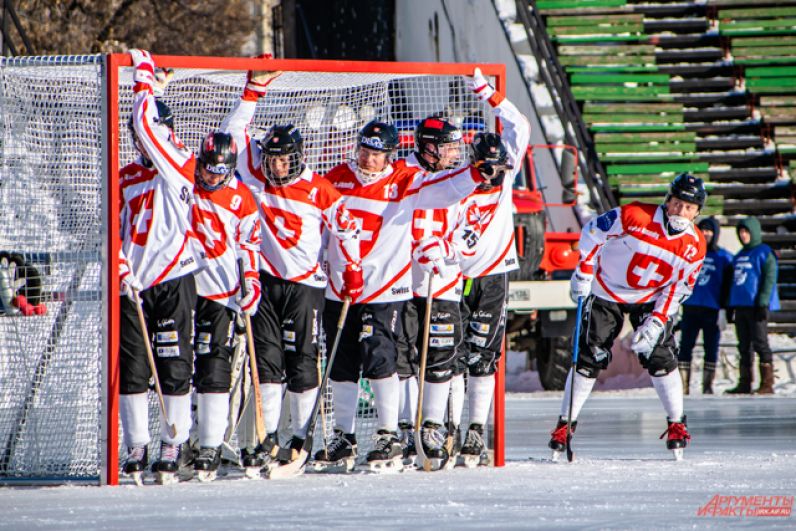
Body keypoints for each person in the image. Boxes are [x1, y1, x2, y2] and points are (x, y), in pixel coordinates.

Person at [315, 117, 496, 472]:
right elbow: (316, 215)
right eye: (364, 151)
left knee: (382, 357)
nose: (368, 160)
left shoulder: (403, 179)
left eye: (376, 154)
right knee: (342, 363)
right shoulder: (336, 177)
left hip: (384, 285)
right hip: (340, 285)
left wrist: (475, 175)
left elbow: (445, 190)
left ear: (390, 156)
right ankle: (344, 436)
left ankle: (389, 435)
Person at [220, 68, 363, 475]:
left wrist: (351, 268)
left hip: (305, 286)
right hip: (264, 282)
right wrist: (253, 91)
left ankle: (300, 439)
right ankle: (268, 439)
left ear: (298, 156)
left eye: (284, 158)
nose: (276, 164)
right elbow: (233, 135)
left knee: (302, 360)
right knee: (266, 362)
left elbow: (346, 228)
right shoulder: (252, 175)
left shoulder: (319, 189)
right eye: (271, 157)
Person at [552, 173, 707, 460]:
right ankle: (565, 424)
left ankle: (676, 424)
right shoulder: (635, 214)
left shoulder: (695, 245)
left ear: (697, 212)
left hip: (650, 297)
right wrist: (583, 271)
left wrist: (658, 320)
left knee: (660, 356)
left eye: (688, 207)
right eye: (676, 203)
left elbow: (678, 288)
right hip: (607, 288)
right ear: (667, 201)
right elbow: (592, 232)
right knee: (590, 356)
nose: (680, 212)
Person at [119, 49, 202, 484]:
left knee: (172, 361)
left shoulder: (180, 165)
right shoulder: (126, 176)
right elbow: (113, 226)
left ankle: (174, 440)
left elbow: (146, 126)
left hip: (173, 276)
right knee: (132, 367)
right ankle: (136, 443)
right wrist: (118, 262)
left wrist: (145, 78)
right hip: (133, 283)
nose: (145, 142)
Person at [400, 120, 495, 468]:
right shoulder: (400, 174)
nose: (456, 154)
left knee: (440, 357)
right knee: (403, 358)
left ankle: (431, 428)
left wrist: (447, 249)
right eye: (449, 147)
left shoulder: (463, 182)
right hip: (401, 281)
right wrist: (412, 250)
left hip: (442, 281)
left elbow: (472, 228)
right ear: (429, 147)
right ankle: (402, 430)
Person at [448, 69, 531, 467]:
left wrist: (486, 91)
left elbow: (520, 123)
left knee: (483, 355)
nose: (491, 174)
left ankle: (476, 430)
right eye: (485, 166)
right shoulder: (456, 184)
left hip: (494, 276)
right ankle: (445, 427)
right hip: (456, 278)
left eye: (497, 167)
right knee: (447, 355)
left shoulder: (507, 177)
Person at [189, 130, 262, 481]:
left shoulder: (242, 199)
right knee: (175, 364)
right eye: (207, 170)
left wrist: (252, 282)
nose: (211, 177)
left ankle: (210, 443)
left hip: (219, 294)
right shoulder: (183, 180)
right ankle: (173, 441)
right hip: (180, 287)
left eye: (219, 172)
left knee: (214, 365)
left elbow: (250, 245)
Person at [677, 217, 733, 394]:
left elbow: (728, 285)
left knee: (711, 348)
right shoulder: (689, 253)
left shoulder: (724, 257)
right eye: (703, 230)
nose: (706, 233)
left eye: (709, 230)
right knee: (685, 346)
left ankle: (707, 386)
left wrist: (725, 310)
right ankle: (683, 386)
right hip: (691, 307)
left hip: (712, 310)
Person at [725, 216, 780, 395]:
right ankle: (745, 382)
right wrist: (729, 305)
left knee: (760, 343)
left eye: (746, 231)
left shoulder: (764, 252)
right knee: (744, 345)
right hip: (740, 306)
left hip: (756, 306)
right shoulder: (740, 254)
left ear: (754, 232)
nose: (743, 235)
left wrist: (763, 302)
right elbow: (734, 281)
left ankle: (767, 383)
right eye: (741, 232)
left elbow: (769, 278)